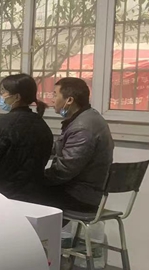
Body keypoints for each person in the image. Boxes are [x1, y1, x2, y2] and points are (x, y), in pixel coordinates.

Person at [0, 74, 54, 202]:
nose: (1, 96)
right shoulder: (41, 123)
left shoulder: (5, 123)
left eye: (4, 92)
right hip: (32, 195)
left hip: (3, 194)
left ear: (17, 97)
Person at [41, 77, 114, 213]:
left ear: (69, 100)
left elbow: (64, 170)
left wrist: (35, 177)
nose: (52, 100)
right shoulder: (88, 117)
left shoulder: (82, 128)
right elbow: (61, 148)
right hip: (83, 192)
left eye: (55, 95)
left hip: (79, 197)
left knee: (23, 193)